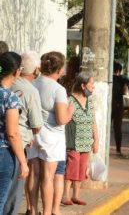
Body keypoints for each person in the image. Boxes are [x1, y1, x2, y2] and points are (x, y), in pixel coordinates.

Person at [33, 52, 75, 215]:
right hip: (52, 138)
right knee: (49, 177)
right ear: (59, 69)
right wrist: (70, 109)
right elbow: (62, 119)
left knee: (34, 176)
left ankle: (33, 209)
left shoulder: (34, 83)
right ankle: (48, 211)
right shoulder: (58, 89)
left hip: (35, 134)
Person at [4, 52, 43, 215]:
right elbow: (36, 125)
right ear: (35, 70)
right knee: (11, 197)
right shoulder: (29, 92)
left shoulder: (7, 86)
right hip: (15, 148)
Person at [62, 72, 99, 206]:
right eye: (91, 84)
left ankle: (76, 195)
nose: (93, 87)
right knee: (72, 167)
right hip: (73, 141)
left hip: (86, 142)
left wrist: (96, 140)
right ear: (83, 86)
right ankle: (65, 195)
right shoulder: (70, 101)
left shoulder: (90, 102)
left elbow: (93, 122)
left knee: (81, 169)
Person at [0, 52, 29, 211]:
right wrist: (23, 163)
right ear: (17, 71)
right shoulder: (10, 98)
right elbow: (12, 133)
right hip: (3, 154)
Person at [111, 62, 129, 155]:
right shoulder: (123, 79)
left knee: (106, 126)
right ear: (119, 70)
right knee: (117, 128)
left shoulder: (108, 78)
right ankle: (118, 149)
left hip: (108, 104)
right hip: (118, 105)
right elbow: (126, 91)